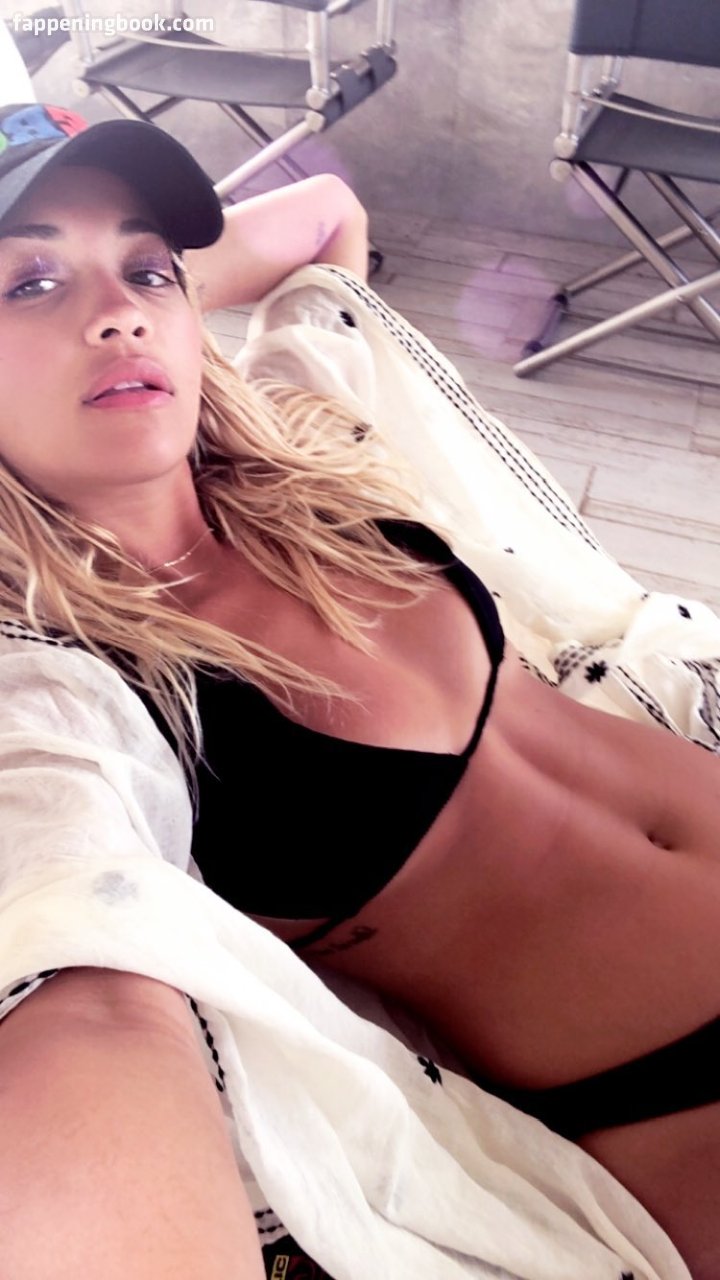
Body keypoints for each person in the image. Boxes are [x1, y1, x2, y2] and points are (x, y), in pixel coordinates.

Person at [0, 100, 717, 1280]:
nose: (119, 310)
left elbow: (327, 215)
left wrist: (133, 304)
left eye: (149, 267)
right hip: (680, 1094)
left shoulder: (304, 450)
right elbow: (83, 979)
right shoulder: (68, 680)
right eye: (29, 283)